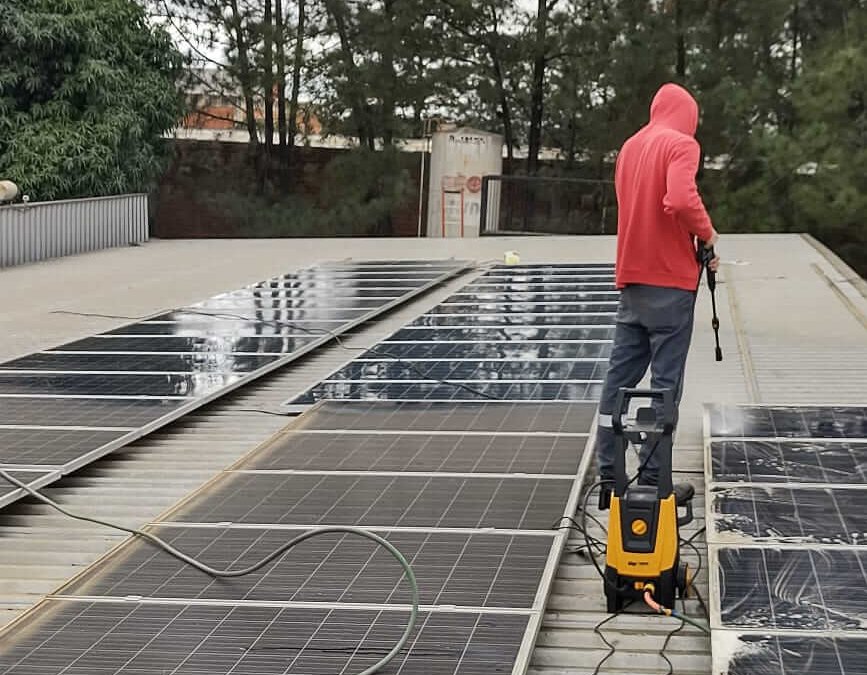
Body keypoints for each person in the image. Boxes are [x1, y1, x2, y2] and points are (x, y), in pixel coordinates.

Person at [595, 82, 720, 508]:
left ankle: (611, 479)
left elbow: (640, 207)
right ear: (688, 115)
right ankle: (652, 482)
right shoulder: (682, 144)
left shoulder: (630, 147)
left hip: (632, 282)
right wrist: (706, 233)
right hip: (671, 286)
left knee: (618, 383)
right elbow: (681, 199)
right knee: (663, 388)